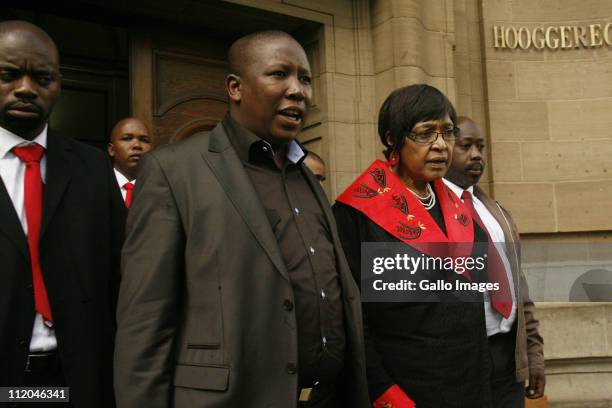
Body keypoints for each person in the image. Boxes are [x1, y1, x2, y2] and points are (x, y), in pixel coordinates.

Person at [114, 30, 369, 408]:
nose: (298, 90)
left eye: (305, 78)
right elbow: (145, 322)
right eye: (280, 74)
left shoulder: (306, 174)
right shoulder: (173, 171)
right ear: (235, 87)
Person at [333, 84, 492, 407]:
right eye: (424, 134)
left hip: (469, 384)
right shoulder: (355, 213)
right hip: (403, 387)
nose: (440, 146)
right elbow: (351, 316)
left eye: (447, 133)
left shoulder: (462, 209)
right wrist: (380, 388)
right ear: (392, 139)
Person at [0, 21, 123, 407]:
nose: (25, 88)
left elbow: (122, 273)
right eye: (8, 75)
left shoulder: (93, 167)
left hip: (80, 379)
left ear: (59, 84)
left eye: (42, 77)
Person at [444, 116, 545, 407]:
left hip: (507, 361)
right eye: (466, 146)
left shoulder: (498, 213)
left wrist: (534, 357)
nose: (476, 154)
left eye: (481, 146)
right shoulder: (430, 213)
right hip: (461, 363)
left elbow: (520, 291)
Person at [107, 117, 152, 208]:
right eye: (127, 138)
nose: (137, 145)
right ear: (112, 149)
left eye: (144, 140)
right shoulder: (96, 187)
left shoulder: (162, 190)